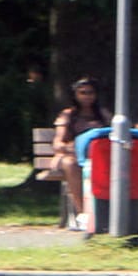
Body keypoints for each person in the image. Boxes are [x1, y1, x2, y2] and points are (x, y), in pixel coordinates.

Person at [50, 76, 112, 231]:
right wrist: (70, 147)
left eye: (90, 92)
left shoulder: (103, 114)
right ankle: (83, 213)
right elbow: (58, 142)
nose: (86, 96)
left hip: (100, 156)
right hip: (73, 156)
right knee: (70, 165)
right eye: (82, 93)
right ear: (75, 95)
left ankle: (107, 214)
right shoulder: (68, 115)